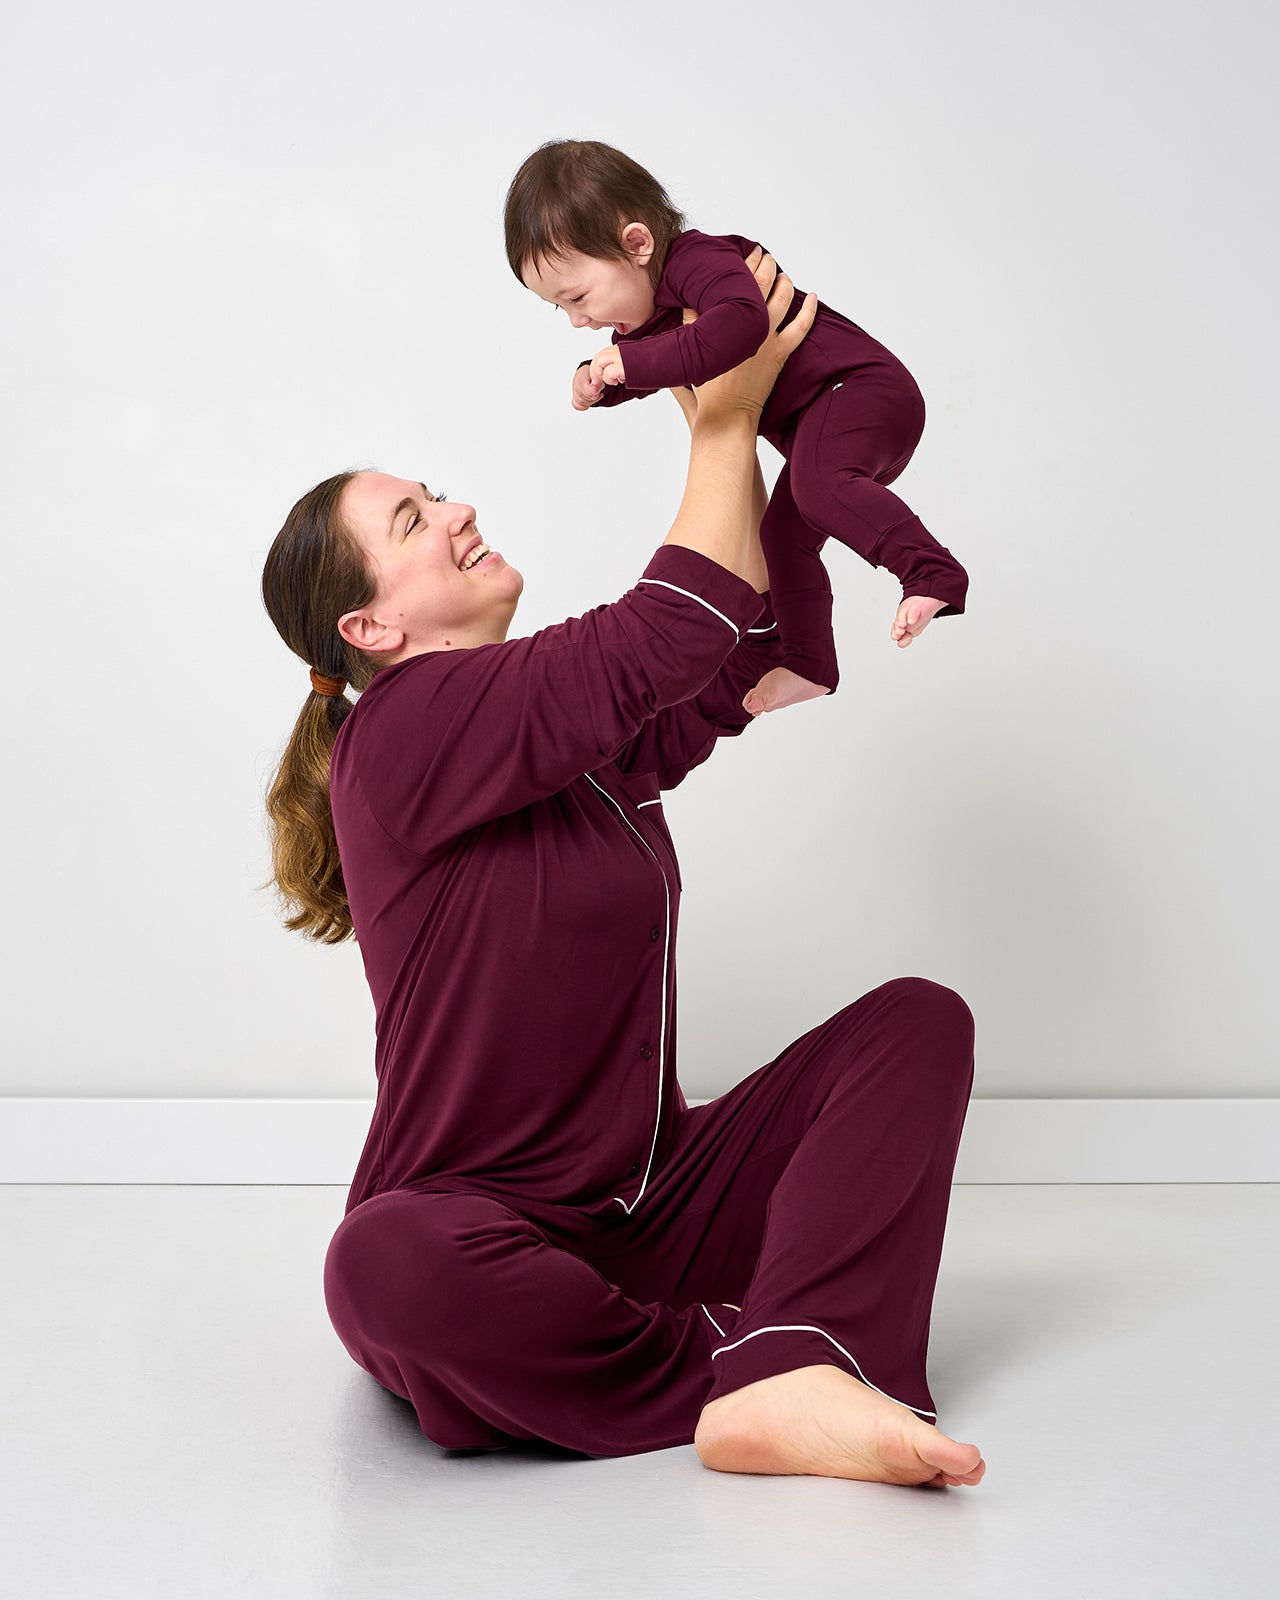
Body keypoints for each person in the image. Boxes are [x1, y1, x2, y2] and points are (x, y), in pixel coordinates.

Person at [260, 251, 985, 1488]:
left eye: (432, 491)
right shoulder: (401, 733)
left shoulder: (549, 742)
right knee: (382, 1263)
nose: (454, 510)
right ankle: (769, 1363)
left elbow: (718, 654)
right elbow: (670, 629)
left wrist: (797, 458)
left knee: (913, 1025)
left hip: (647, 1210)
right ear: (371, 631)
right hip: (480, 1232)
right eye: (412, 521)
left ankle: (788, 1366)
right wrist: (724, 401)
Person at [504, 137, 970, 716]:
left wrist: (632, 361)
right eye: (560, 310)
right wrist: (599, 384)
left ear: (638, 243)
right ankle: (810, 662)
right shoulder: (649, 316)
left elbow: (741, 327)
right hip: (815, 427)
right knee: (782, 538)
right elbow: (670, 362)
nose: (578, 321)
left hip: (863, 393)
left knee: (817, 490)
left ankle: (933, 573)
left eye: (578, 297)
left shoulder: (701, 260)